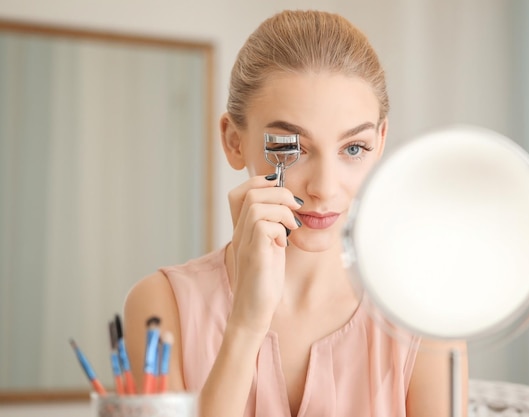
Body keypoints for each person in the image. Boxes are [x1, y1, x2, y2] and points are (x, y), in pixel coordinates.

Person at [124, 9, 468, 417]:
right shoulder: (162, 308)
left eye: (353, 149)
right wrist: (246, 325)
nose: (324, 187)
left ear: (380, 141)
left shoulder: (423, 315)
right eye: (292, 147)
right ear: (234, 141)